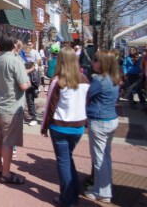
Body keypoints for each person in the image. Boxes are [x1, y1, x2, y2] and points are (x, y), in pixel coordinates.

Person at [41, 47, 90, 207]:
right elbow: (86, 103)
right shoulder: (84, 80)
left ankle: (67, 199)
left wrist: (44, 127)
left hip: (60, 126)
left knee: (63, 161)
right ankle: (73, 192)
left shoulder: (57, 81)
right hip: (78, 126)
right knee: (68, 158)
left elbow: (50, 106)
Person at [0, 33, 30, 185]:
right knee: (8, 142)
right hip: (11, 107)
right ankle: (6, 174)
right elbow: (23, 85)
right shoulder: (15, 61)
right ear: (13, 45)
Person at [83, 50, 121, 204]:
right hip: (111, 119)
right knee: (105, 156)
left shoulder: (100, 80)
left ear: (103, 62)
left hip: (100, 121)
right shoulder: (114, 78)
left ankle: (102, 192)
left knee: (99, 158)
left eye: (96, 60)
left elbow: (88, 94)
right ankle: (104, 186)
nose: (93, 62)